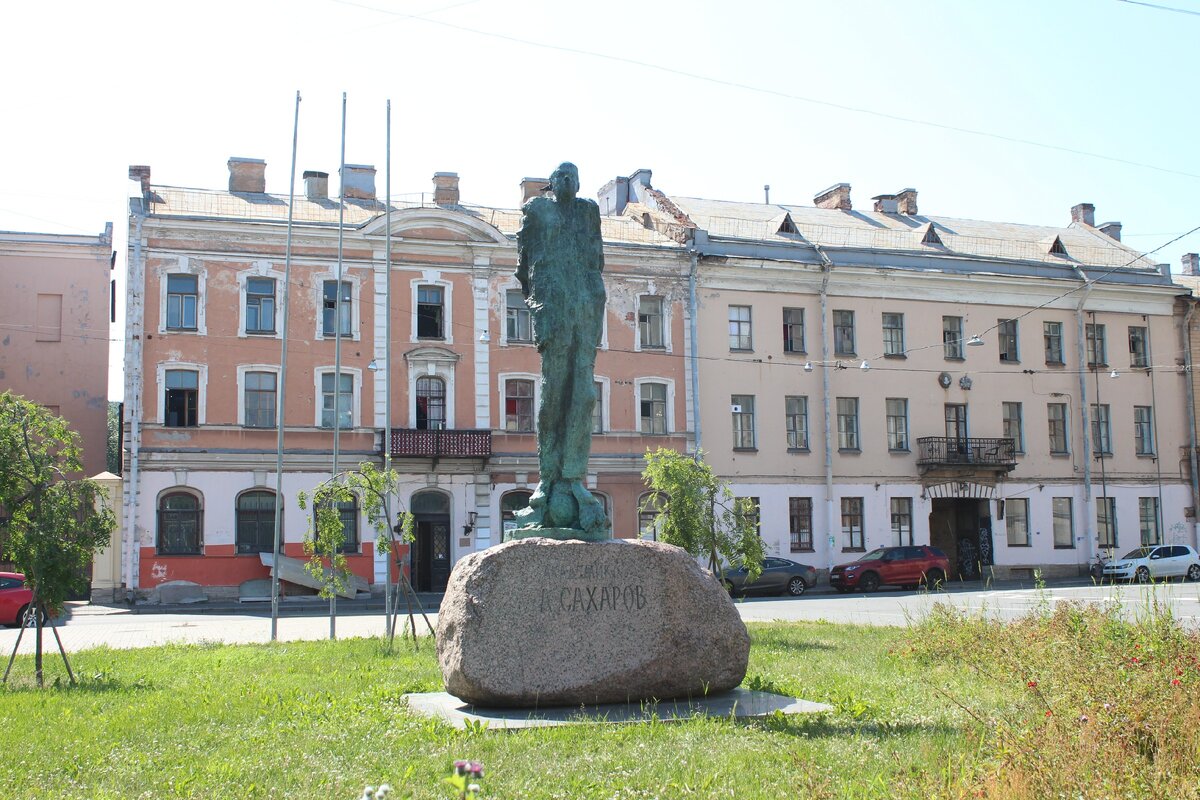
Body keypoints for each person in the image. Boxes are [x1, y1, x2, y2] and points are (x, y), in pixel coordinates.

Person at [512, 162, 609, 537]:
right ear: (552, 184)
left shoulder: (588, 211)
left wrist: (593, 296)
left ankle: (573, 476)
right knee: (554, 393)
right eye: (562, 176)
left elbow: (596, 257)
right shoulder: (539, 210)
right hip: (553, 308)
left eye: (573, 176)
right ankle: (548, 480)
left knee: (583, 395)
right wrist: (541, 302)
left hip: (585, 307)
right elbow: (524, 265)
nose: (568, 181)